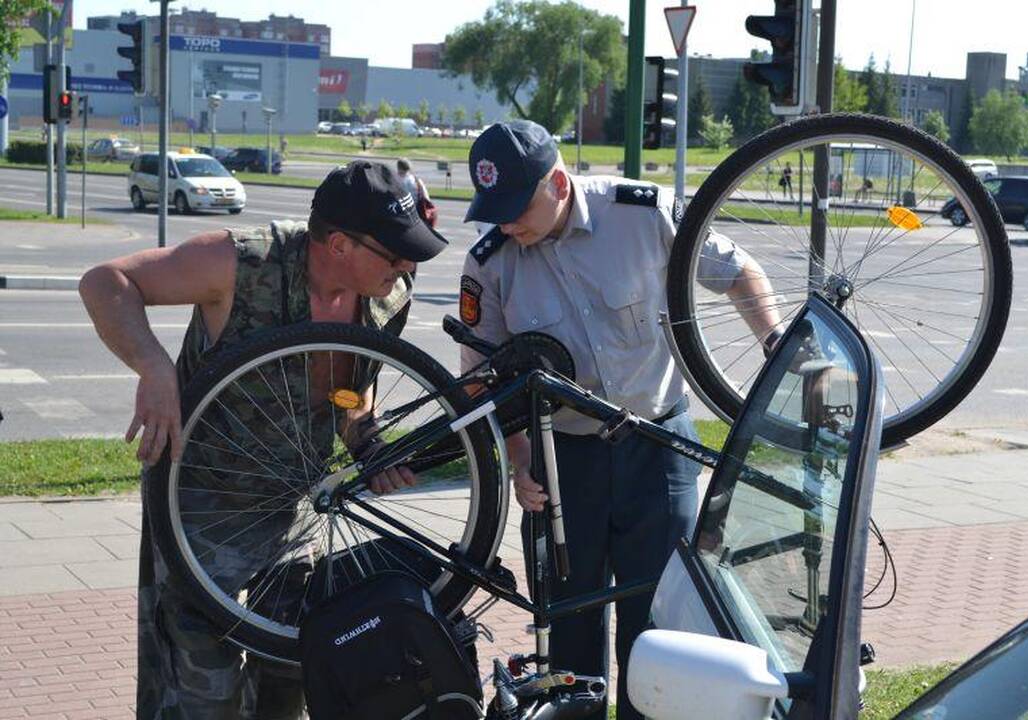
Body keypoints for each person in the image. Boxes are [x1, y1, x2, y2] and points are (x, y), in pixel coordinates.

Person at [79, 160, 448, 719]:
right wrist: (154, 368)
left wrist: (366, 444)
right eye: (395, 252)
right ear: (341, 244)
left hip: (294, 510)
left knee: (292, 677)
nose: (406, 265)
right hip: (199, 513)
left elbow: (351, 389)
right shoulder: (242, 262)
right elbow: (106, 281)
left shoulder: (387, 291)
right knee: (204, 693)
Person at [457, 120, 784, 720]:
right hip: (563, 461)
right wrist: (519, 459)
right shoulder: (490, 262)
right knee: (569, 628)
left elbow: (740, 273)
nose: (504, 224)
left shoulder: (643, 213)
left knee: (660, 630)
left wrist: (774, 340)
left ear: (557, 182)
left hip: (658, 445)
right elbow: (481, 378)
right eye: (493, 210)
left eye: (515, 208)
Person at [397, 158, 437, 227]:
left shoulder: (398, 181)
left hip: (405, 215)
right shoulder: (416, 180)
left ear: (399, 167)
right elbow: (426, 197)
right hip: (417, 213)